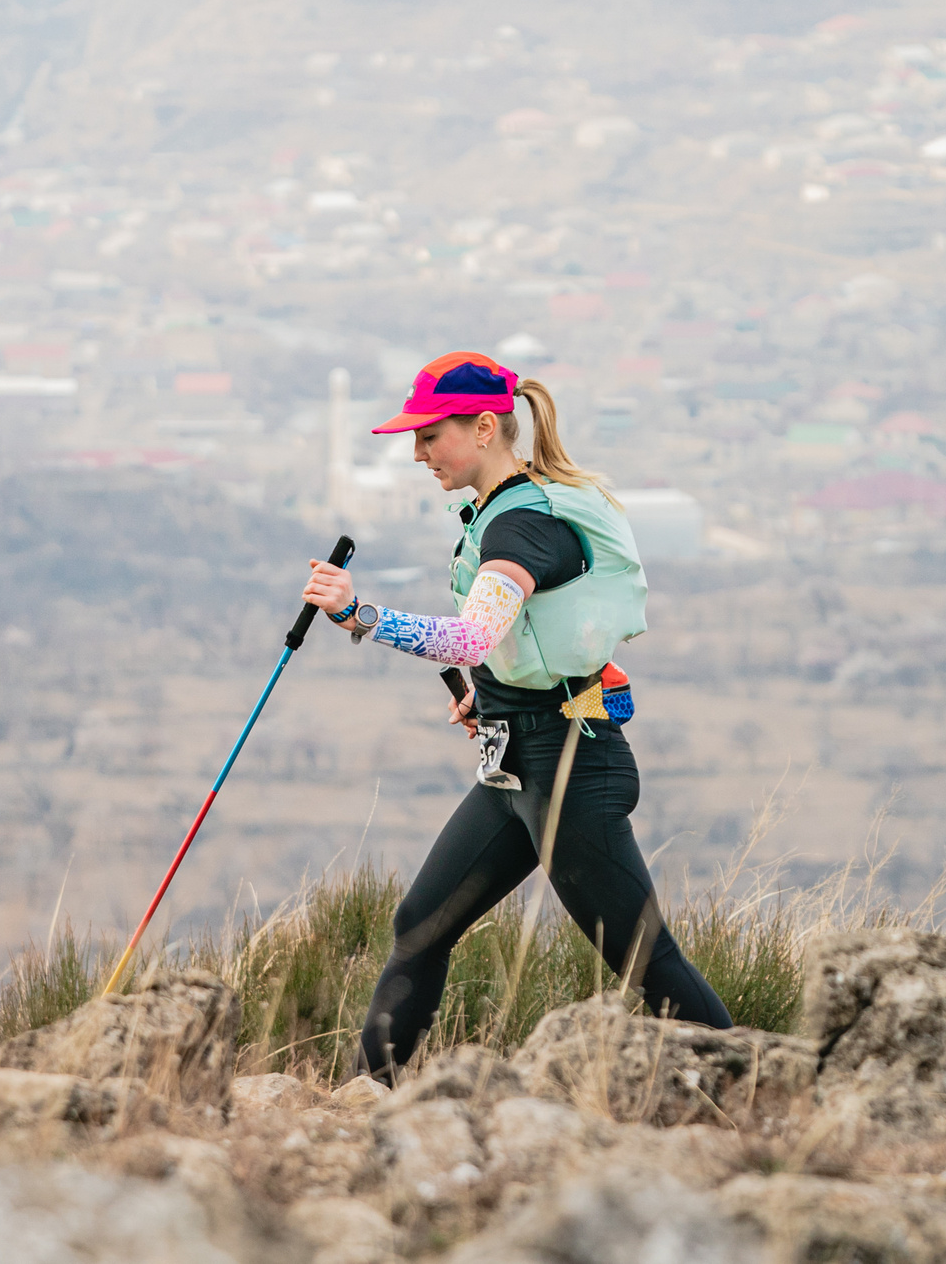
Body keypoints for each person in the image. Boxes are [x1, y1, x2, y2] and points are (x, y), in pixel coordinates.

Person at [300, 351, 731, 1079]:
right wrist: (492, 692)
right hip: (519, 764)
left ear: (485, 425)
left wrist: (359, 612)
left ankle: (757, 1088)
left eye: (431, 435)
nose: (418, 452)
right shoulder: (507, 511)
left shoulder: (522, 525)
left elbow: (472, 635)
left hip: (568, 768)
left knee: (644, 959)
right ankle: (367, 1100)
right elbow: (519, 645)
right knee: (419, 926)